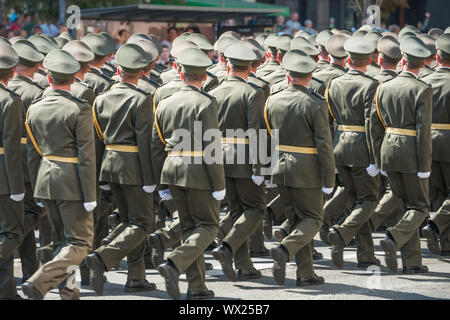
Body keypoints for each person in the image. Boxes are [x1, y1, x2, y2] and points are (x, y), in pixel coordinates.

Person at [21, 49, 97, 300]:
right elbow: (86, 155)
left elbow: (33, 154)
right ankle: (40, 281)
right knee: (80, 243)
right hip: (72, 182)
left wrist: (37, 187)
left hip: (45, 180)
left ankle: (69, 291)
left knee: (62, 243)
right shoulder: (79, 108)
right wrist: (90, 193)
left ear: (49, 77)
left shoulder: (35, 108)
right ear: (73, 78)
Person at [152, 47, 225, 300]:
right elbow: (212, 144)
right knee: (208, 226)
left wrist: (159, 180)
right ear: (204, 77)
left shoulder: (164, 103)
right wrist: (219, 182)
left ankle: (197, 287)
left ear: (181, 73)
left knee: (188, 228)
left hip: (171, 170)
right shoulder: (206, 103)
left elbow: (157, 143)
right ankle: (174, 262)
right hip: (198, 172)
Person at [86, 43, 157, 295]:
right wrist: (150, 178)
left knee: (130, 223)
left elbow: (96, 140)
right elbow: (145, 142)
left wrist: (99, 175)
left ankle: (136, 277)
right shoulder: (141, 99)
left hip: (110, 166)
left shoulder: (101, 98)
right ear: (141, 72)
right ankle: (103, 256)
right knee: (143, 222)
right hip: (134, 168)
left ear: (118, 69)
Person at [267, 49, 335, 286]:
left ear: (288, 76)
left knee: (297, 220)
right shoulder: (315, 103)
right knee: (314, 218)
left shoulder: (272, 99)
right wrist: (328, 179)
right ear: (310, 77)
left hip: (280, 166)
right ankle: (285, 249)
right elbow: (324, 145)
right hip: (306, 170)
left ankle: (305, 273)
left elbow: (267, 137)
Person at [370, 36, 432, 274]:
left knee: (405, 206)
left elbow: (375, 127)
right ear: (422, 64)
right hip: (410, 152)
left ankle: (412, 261)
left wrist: (379, 159)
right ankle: (394, 237)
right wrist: (424, 164)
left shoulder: (383, 86)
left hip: (388, 149)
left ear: (403, 61)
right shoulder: (422, 89)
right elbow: (423, 132)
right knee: (419, 207)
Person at [210, 43, 266, 282]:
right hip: (244, 157)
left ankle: (244, 264)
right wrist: (260, 166)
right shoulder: (253, 91)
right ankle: (228, 246)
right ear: (251, 66)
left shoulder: (214, 91)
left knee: (237, 211)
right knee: (255, 209)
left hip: (219, 156)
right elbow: (257, 131)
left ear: (227, 64)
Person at [325, 36, 381, 269]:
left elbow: (330, 119)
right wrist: (376, 158)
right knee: (369, 199)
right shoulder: (371, 84)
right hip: (361, 149)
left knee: (354, 196)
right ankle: (341, 231)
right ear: (369, 60)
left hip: (339, 146)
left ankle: (365, 254)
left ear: (348, 59)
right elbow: (372, 124)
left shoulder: (334, 83)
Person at [7, 39, 45, 284]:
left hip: (6, 163)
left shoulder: (6, 88)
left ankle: (30, 270)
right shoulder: (36, 92)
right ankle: (8, 244)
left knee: (19, 215)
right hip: (28, 162)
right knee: (32, 211)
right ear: (36, 65)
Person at [421, 34, 450, 256]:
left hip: (427, 141)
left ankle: (445, 242)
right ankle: (435, 224)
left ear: (437, 56)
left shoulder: (424, 80)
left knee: (439, 192)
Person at [0, 43, 25, 300]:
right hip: (3, 177)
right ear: (11, 73)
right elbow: (11, 147)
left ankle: (6, 290)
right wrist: (17, 187)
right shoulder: (9, 100)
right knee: (11, 232)